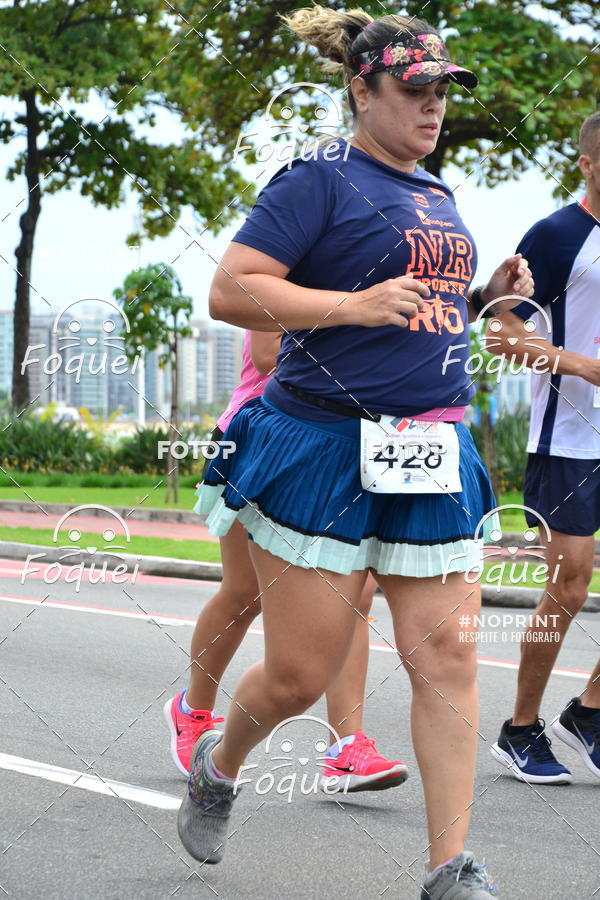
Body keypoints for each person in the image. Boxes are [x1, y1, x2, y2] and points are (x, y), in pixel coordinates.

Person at [177, 8, 533, 899]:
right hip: (324, 448)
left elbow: (422, 305)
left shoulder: (439, 193)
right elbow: (232, 290)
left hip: (430, 446)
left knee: (447, 657)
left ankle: (450, 871)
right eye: (413, 89)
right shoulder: (315, 180)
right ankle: (220, 762)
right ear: (359, 88)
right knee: (300, 674)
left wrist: (487, 294)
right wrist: (351, 305)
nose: (433, 106)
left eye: (443, 89)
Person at [164, 328, 408, 793]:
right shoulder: (285, 267)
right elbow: (265, 354)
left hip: (350, 444)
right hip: (264, 435)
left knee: (354, 593)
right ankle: (192, 712)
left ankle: (346, 747)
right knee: (244, 594)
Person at [488, 110, 600, 784]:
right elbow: (500, 333)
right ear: (587, 162)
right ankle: (520, 728)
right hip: (568, 439)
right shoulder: (558, 236)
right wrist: (581, 365)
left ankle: (589, 712)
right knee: (570, 581)